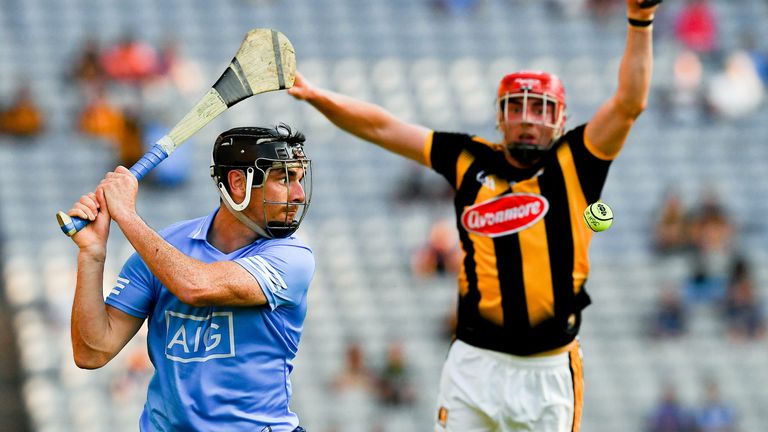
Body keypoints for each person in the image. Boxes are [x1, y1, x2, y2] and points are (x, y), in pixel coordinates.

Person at [288, 0, 661, 429]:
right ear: (500, 118)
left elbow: (630, 102)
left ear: (561, 121)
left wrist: (640, 20)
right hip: (474, 362)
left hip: (548, 371)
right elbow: (383, 128)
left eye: (540, 109)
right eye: (517, 107)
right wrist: (318, 96)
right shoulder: (467, 157)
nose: (527, 120)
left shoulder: (578, 160)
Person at [64, 124, 313, 432]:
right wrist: (92, 254)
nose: (300, 195)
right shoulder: (165, 248)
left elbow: (196, 286)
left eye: (300, 179)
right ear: (238, 182)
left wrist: (126, 215)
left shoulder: (292, 258)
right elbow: (92, 351)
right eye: (285, 179)